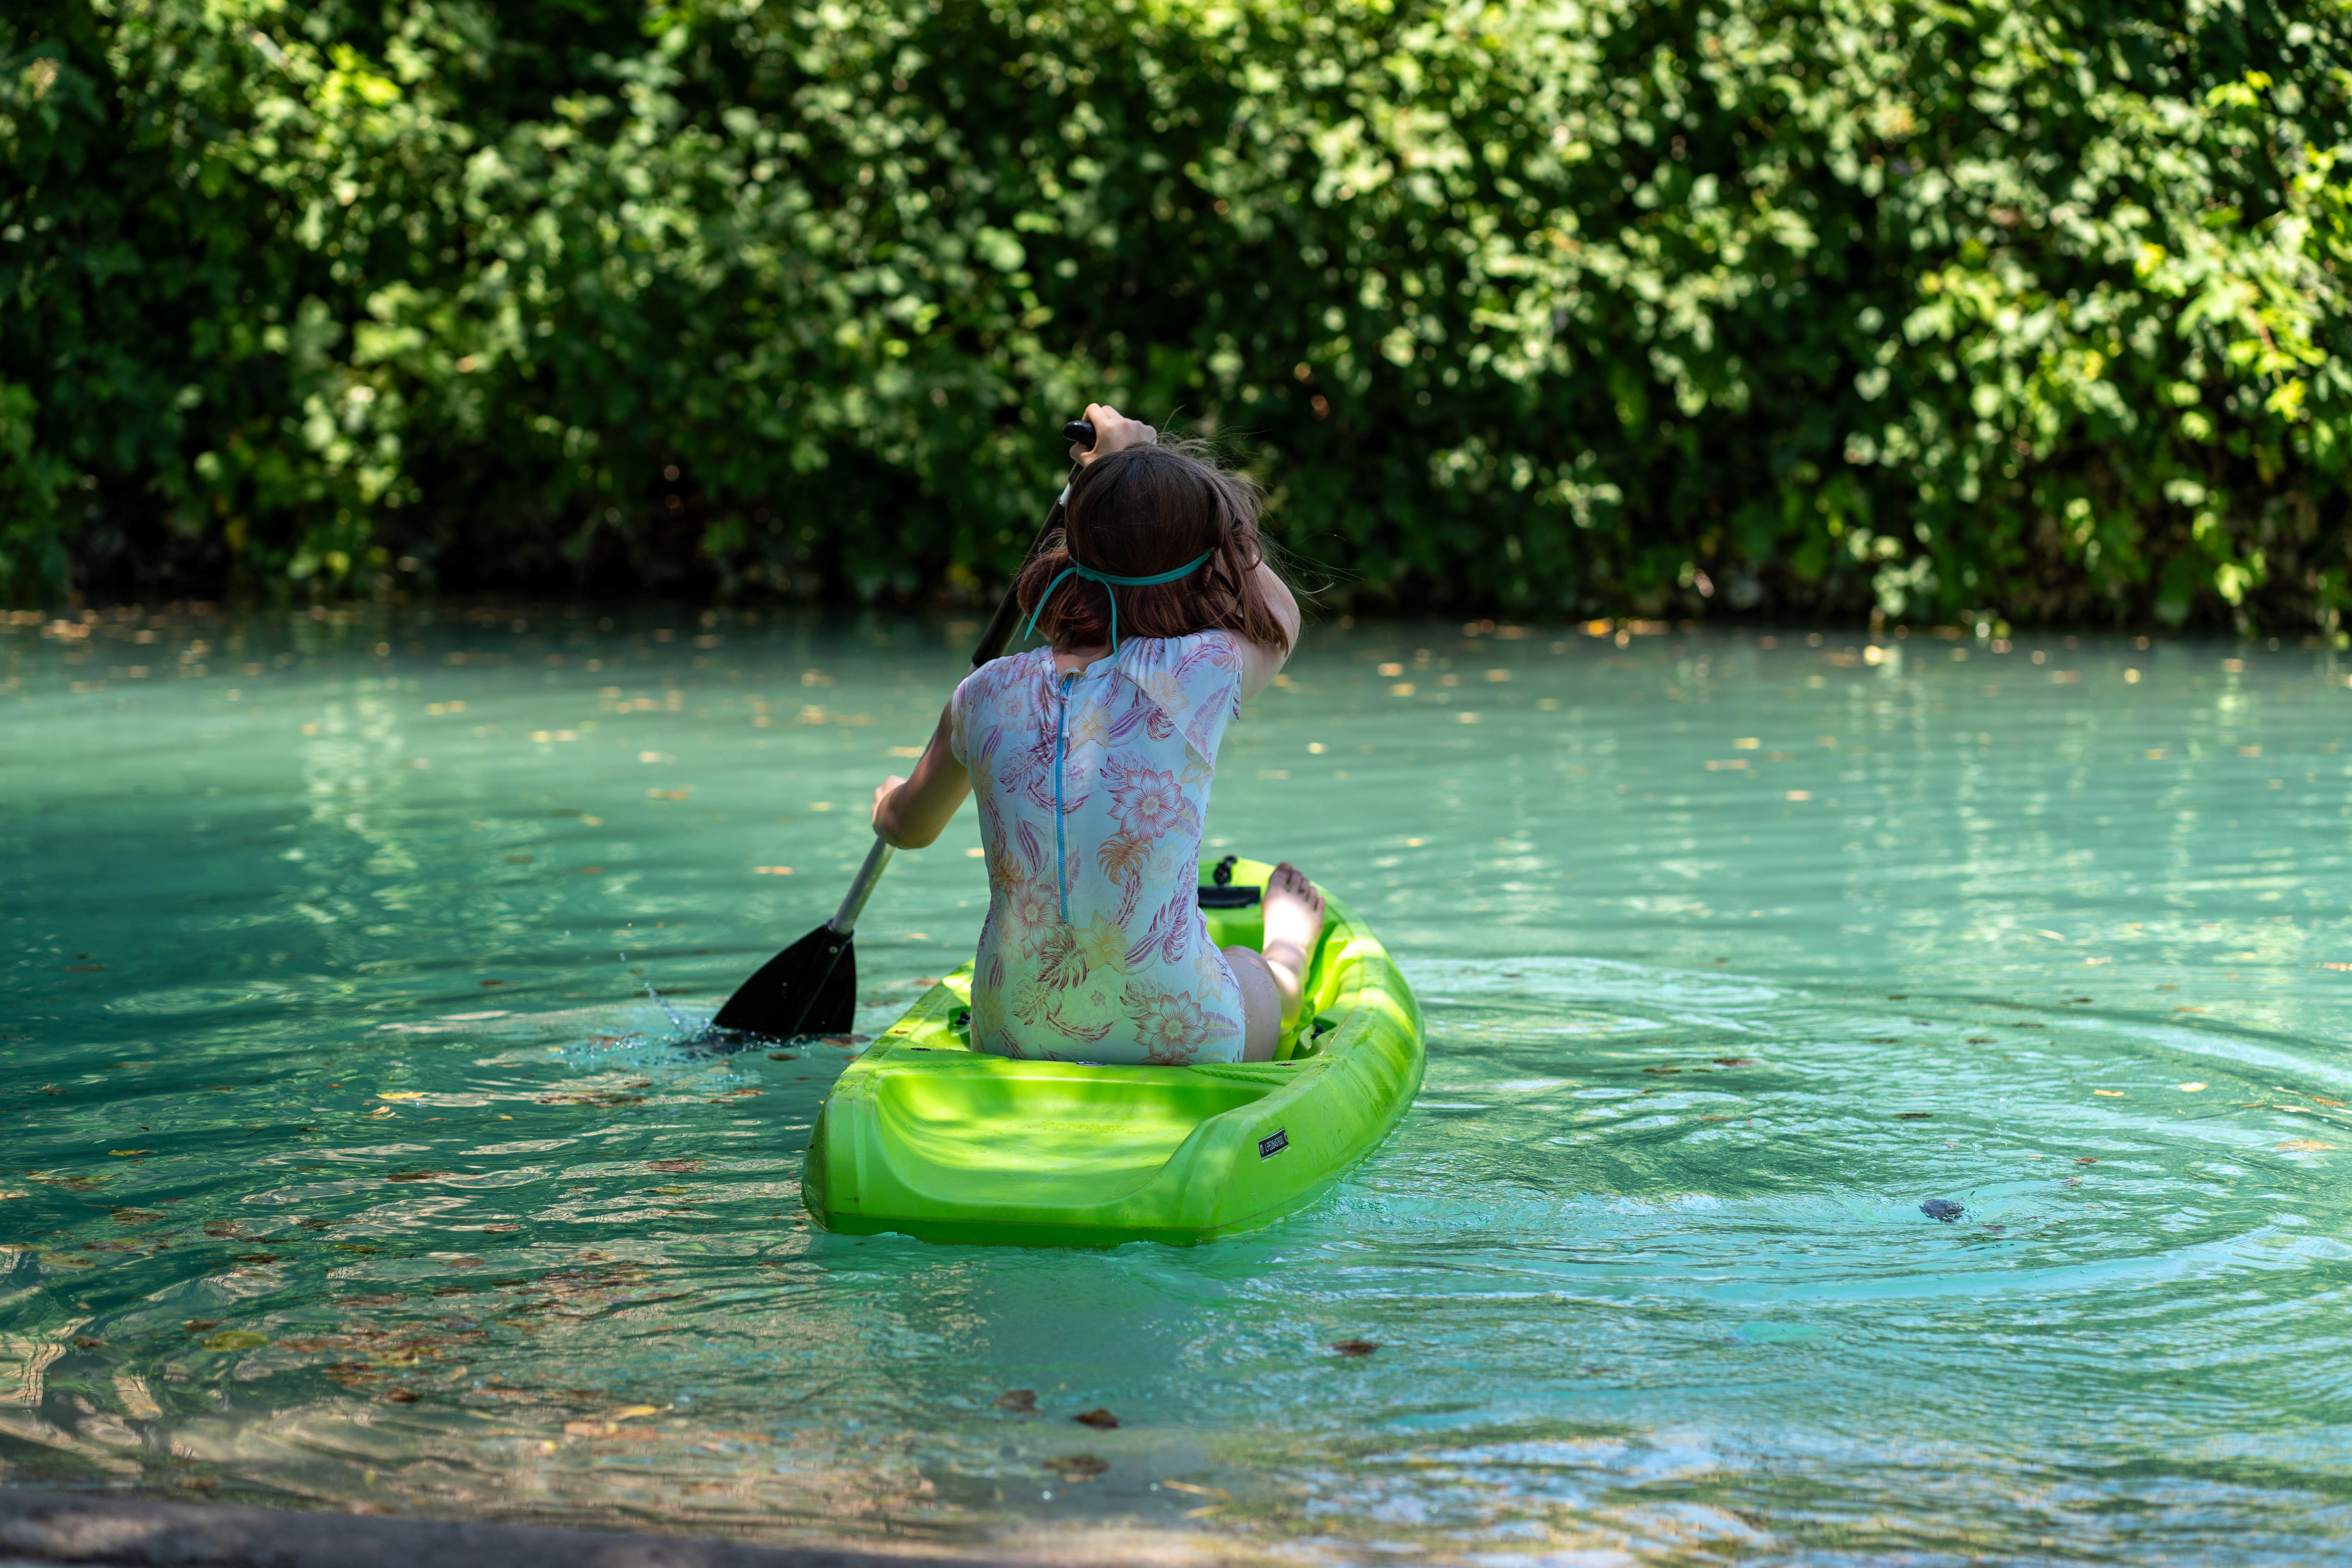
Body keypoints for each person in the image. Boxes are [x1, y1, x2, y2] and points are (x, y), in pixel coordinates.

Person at [869, 404, 1324, 1065]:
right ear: (1217, 556)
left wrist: (887, 801)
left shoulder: (985, 692)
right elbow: (1281, 616)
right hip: (1185, 1033)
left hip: (1012, 1035)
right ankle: (1290, 943)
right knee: (1256, 967)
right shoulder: (1199, 674)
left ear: (1073, 545)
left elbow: (908, 826)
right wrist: (1132, 475)